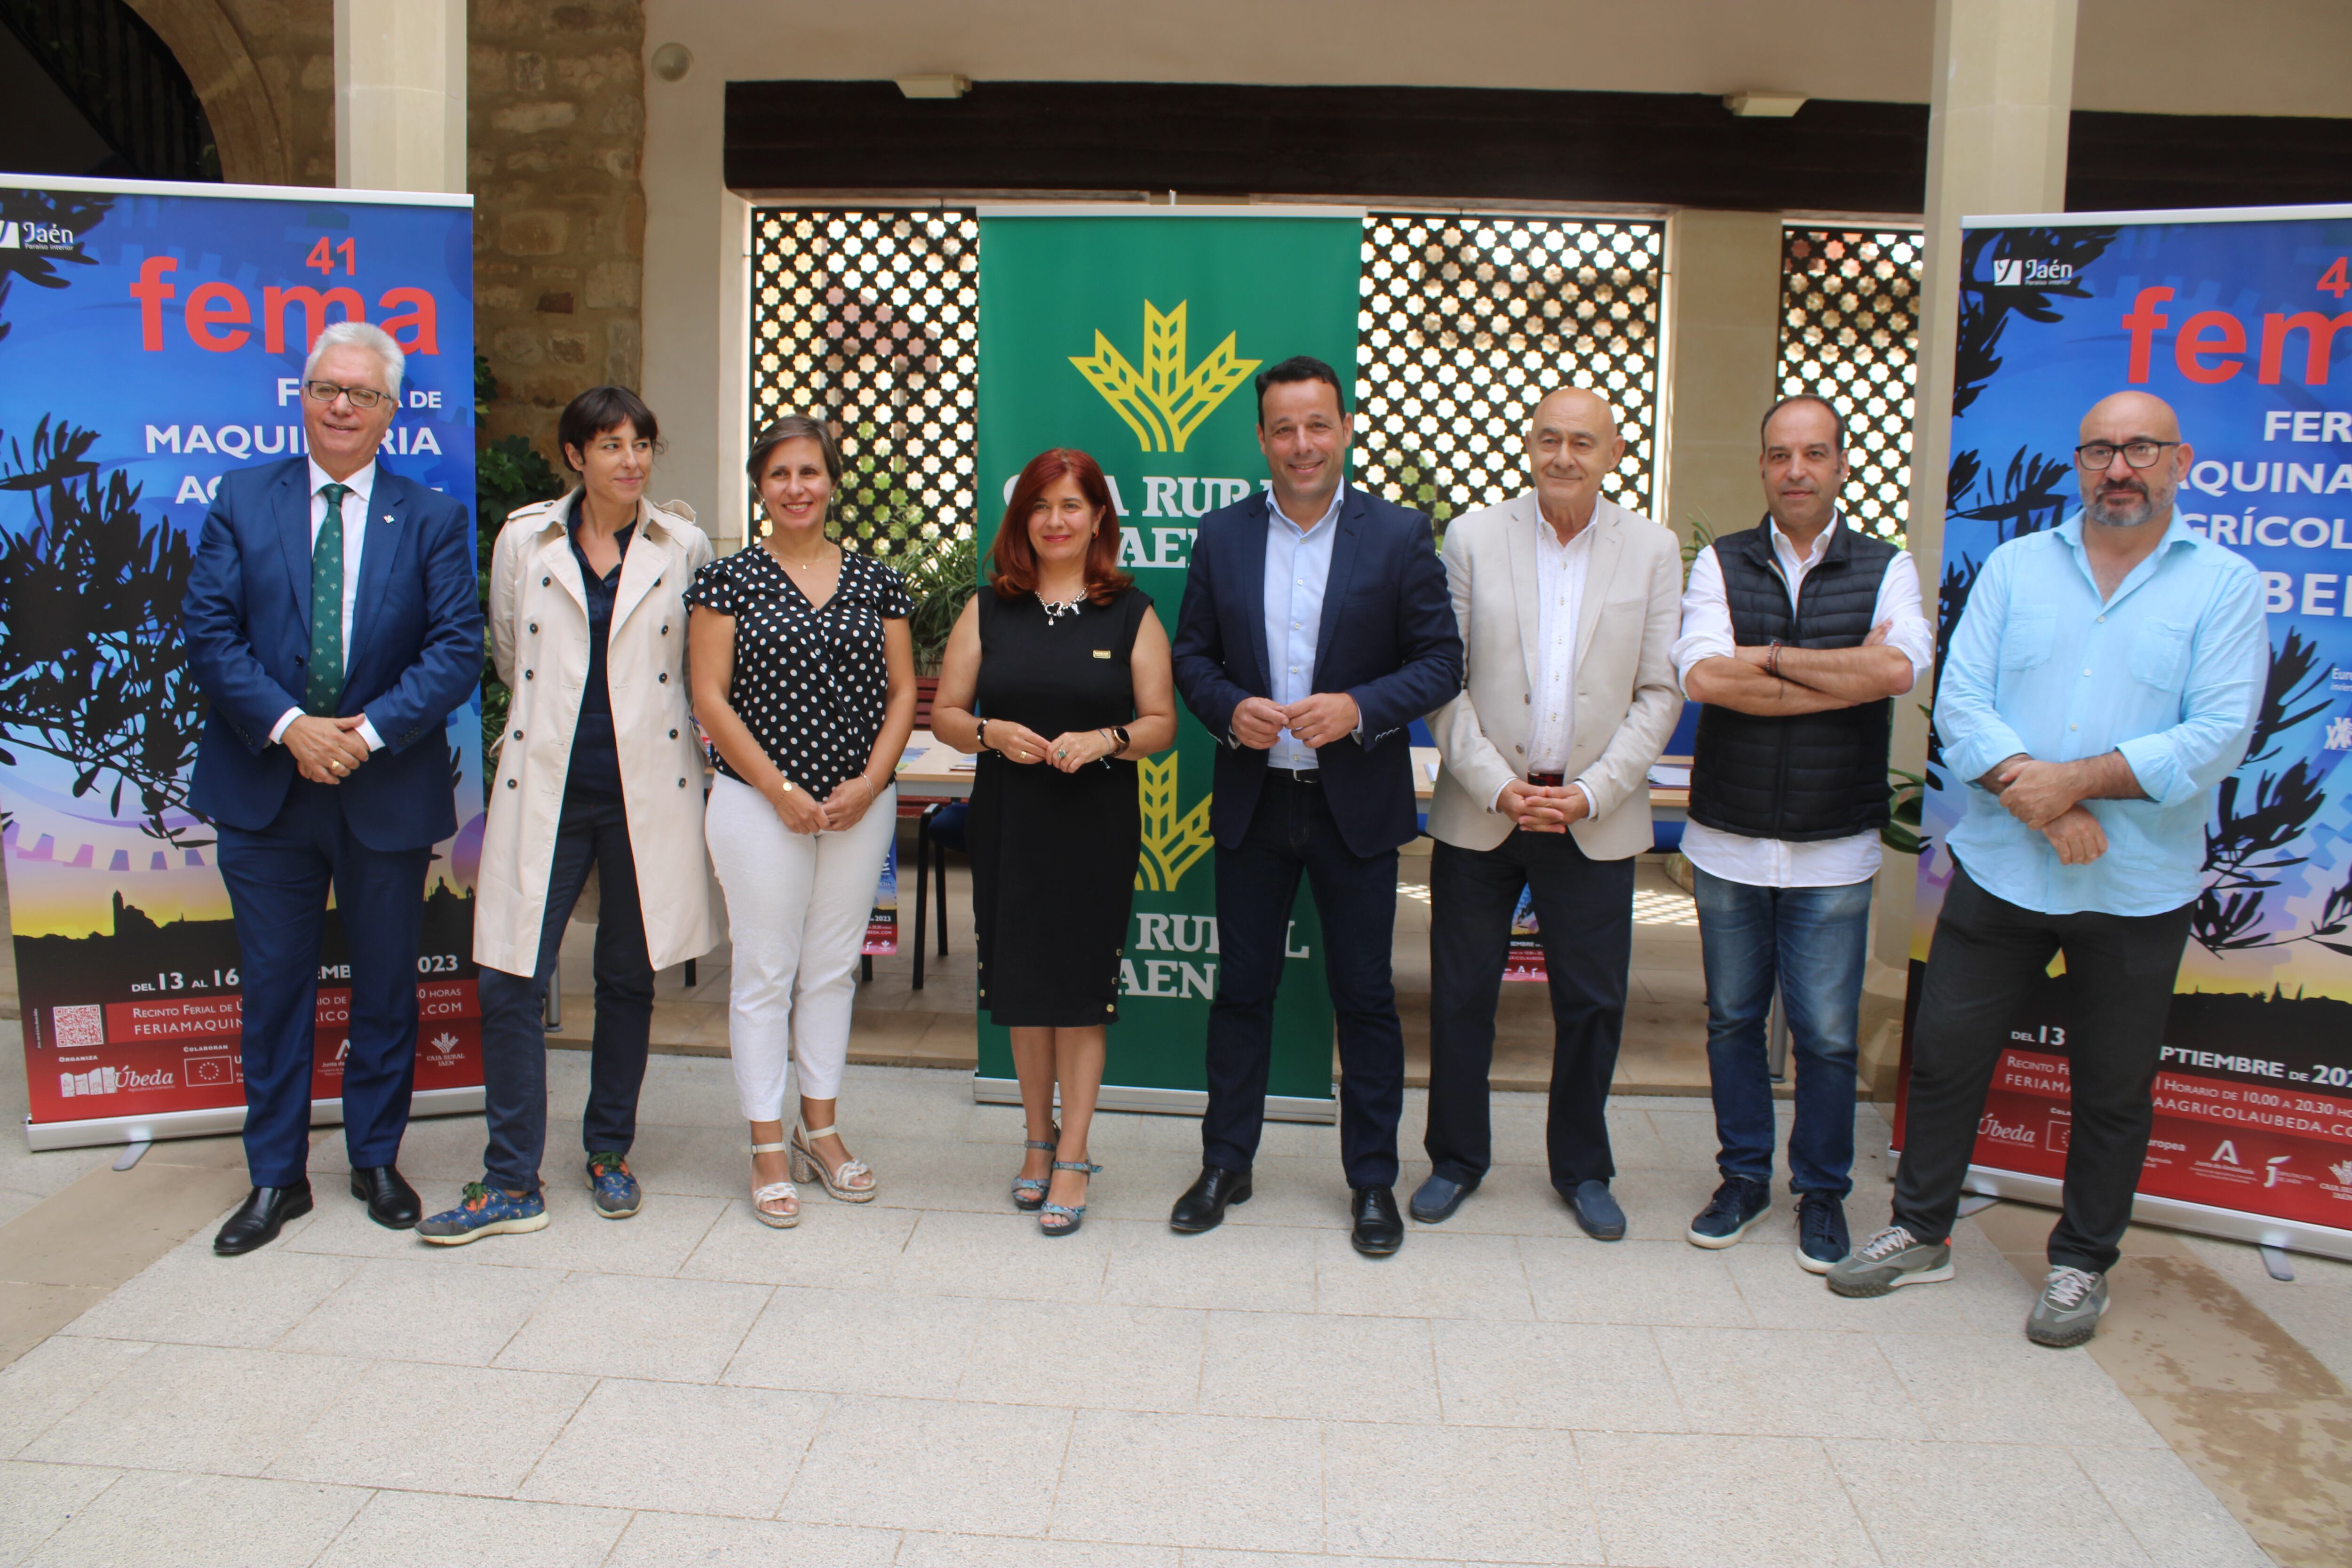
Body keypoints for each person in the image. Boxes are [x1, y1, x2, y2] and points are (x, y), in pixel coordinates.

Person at [1829, 391, 2266, 1346]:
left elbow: (2217, 733)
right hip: (2002, 868)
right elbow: (1962, 701)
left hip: (2134, 883)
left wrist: (2072, 784)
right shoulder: (2018, 566)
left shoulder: (2224, 586)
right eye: (2101, 449)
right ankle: (1921, 1227)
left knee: (2111, 1086)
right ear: (2077, 462)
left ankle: (2079, 1263)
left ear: (2178, 461)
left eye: (2140, 449)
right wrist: (2040, 791)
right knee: (1943, 1058)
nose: (2120, 467)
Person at [182, 320, 481, 1254]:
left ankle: (374, 1157)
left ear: (392, 411)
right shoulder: (239, 499)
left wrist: (368, 734)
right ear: (302, 398)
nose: (342, 404)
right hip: (266, 785)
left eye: (361, 393)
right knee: (275, 991)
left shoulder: (429, 517)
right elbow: (210, 633)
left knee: (387, 986)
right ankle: (276, 1175)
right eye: (326, 388)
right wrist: (291, 727)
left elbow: (456, 648)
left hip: (381, 783)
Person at [1168, 355, 1463, 1257]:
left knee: (1366, 998)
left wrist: (1361, 708)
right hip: (1257, 803)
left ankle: (1373, 1179)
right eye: (1284, 429)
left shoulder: (1402, 535)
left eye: (1318, 425)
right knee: (1242, 992)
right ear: (1261, 439)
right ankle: (1227, 1161)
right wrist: (1228, 708)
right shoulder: (1221, 537)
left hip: (1356, 807)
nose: (1302, 444)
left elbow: (1442, 661)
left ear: (1343, 428)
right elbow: (1191, 658)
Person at [419, 387, 716, 1245]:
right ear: (575, 455)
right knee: (511, 973)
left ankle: (608, 1151)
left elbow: (692, 668)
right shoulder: (526, 538)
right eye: (610, 443)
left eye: (642, 444)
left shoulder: (681, 544)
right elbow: (513, 654)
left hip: (645, 793)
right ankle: (512, 1174)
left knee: (628, 977)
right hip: (546, 786)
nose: (630, 459)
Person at [1674, 394, 1933, 1271]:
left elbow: (1897, 668)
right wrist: (1838, 673)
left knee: (1824, 1032)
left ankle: (1821, 1192)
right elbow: (1706, 676)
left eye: (1814, 454)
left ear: (1841, 465)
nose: (1796, 471)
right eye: (1780, 454)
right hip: (1729, 839)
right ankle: (1743, 1176)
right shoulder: (1719, 562)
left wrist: (1772, 656)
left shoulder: (1887, 567)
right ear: (1761, 466)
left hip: (1834, 844)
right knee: (1733, 1021)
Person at [1418, 388, 1683, 1236]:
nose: (1563, 455)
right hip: (1484, 805)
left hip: (1594, 813)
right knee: (1461, 995)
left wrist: (1591, 791)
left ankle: (1582, 1167)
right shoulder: (1473, 538)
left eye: (1582, 442)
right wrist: (1499, 784)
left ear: (1612, 453)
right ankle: (1456, 1159)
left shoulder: (1652, 549)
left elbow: (1659, 690)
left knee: (1593, 1002)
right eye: (1548, 439)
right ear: (1528, 445)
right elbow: (1443, 677)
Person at [930, 448, 1178, 1236]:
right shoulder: (988, 607)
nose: (1056, 521)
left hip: (1095, 825)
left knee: (1079, 997)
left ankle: (1074, 1154)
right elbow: (943, 713)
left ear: (1099, 517)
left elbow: (1162, 724)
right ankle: (1035, 1143)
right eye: (1041, 507)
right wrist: (987, 732)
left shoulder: (1132, 611)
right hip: (1010, 818)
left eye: (1072, 505)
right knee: (1025, 994)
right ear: (1022, 520)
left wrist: (1108, 739)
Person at [687, 414, 916, 1227]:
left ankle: (819, 1127)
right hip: (758, 805)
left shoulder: (879, 581)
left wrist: (871, 779)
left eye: (810, 472)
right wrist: (778, 786)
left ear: (831, 481)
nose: (796, 488)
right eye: (780, 474)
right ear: (761, 484)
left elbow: (901, 693)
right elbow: (708, 695)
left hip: (861, 802)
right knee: (765, 972)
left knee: (829, 969)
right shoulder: (727, 580)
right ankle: (765, 1147)